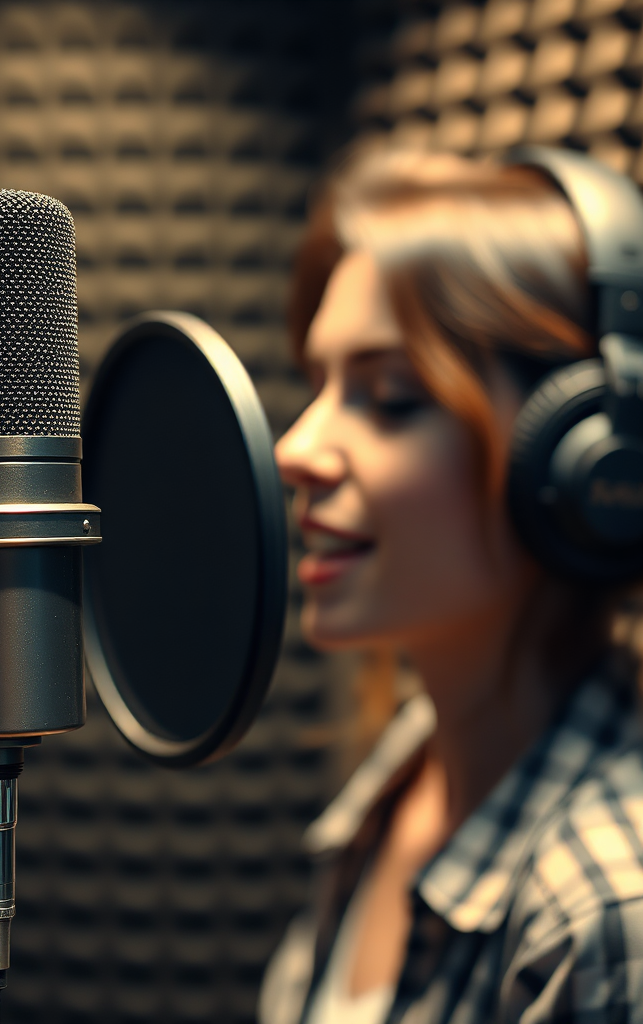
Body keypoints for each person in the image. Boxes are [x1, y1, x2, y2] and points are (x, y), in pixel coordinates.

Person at [259, 148, 643, 1024]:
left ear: (588, 460)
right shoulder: (404, 775)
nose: (294, 449)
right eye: (319, 384)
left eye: (390, 397)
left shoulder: (605, 916)